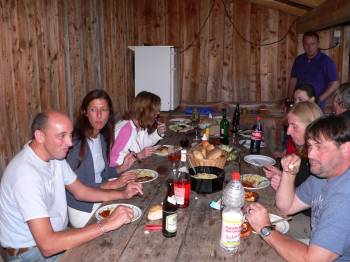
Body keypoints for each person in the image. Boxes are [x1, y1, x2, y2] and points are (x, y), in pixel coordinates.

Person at [0, 111, 142, 261]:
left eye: (70, 135)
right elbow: (48, 246)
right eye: (62, 136)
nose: (70, 142)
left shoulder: (55, 157)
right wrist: (106, 224)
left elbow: (81, 191)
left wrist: (122, 194)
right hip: (29, 252)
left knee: (115, 244)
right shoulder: (25, 175)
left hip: (57, 236)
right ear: (40, 136)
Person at [246, 114, 350, 261]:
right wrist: (289, 174)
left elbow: (312, 260)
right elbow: (286, 208)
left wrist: (265, 229)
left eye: (319, 146)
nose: (310, 154)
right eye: (310, 146)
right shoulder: (322, 175)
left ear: (346, 149)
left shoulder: (345, 198)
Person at [66, 90, 140, 228]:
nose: (99, 115)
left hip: (100, 197)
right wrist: (113, 185)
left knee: (137, 206)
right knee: (131, 220)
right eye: (93, 109)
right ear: (85, 112)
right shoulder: (76, 143)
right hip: (83, 210)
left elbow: (102, 174)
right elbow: (80, 189)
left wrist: (121, 168)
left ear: (109, 112)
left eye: (104, 109)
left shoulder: (101, 138)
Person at [264, 101, 323, 192]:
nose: (288, 132)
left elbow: (313, 202)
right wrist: (282, 175)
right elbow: (301, 184)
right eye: (289, 126)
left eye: (294, 126)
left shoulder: (319, 160)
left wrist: (285, 188)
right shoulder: (303, 151)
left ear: (311, 127)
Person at [109, 91, 166, 170]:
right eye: (155, 110)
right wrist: (138, 155)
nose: (158, 113)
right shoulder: (125, 130)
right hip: (118, 176)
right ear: (144, 110)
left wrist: (158, 133)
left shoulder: (141, 124)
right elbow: (113, 161)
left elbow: (144, 144)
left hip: (134, 168)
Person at [288, 31, 339, 109]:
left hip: (316, 106)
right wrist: (289, 99)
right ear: (303, 44)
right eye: (306, 44)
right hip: (298, 104)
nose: (310, 47)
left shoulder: (326, 61)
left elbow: (335, 84)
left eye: (313, 44)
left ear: (318, 44)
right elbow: (293, 80)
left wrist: (318, 100)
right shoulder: (299, 60)